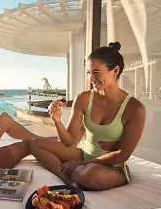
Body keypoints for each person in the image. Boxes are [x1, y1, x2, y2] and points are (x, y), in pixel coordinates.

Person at [31, 42, 146, 190]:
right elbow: (69, 141)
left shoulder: (135, 108)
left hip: (111, 167)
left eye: (96, 72)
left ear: (115, 71)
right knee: (36, 144)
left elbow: (122, 154)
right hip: (85, 155)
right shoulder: (84, 98)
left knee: (91, 175)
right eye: (88, 73)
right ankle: (68, 180)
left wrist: (81, 164)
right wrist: (57, 121)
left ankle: (79, 173)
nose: (91, 78)